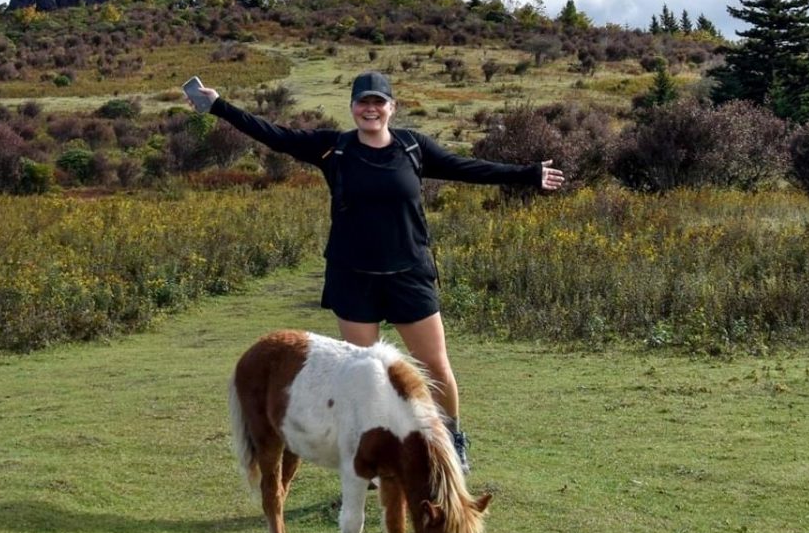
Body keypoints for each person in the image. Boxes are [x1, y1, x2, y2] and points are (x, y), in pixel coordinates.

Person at [193, 70, 565, 469]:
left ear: (391, 108)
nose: (371, 108)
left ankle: (452, 443)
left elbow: (466, 168)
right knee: (365, 376)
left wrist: (527, 174)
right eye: (363, 102)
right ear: (352, 108)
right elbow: (274, 135)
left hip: (410, 276)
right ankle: (368, 464)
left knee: (436, 368)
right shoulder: (331, 149)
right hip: (354, 281)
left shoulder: (412, 147)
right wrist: (218, 106)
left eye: (378, 102)